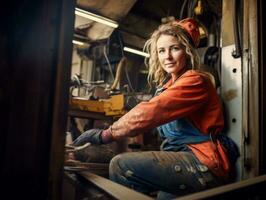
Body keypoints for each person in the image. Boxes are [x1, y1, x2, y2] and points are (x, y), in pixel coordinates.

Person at [72, 18, 233, 199]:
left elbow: (150, 111)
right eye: (162, 51)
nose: (168, 57)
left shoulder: (195, 80)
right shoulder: (169, 85)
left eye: (175, 48)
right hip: (183, 159)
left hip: (204, 163)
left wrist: (104, 135)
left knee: (121, 165)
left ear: (187, 52)